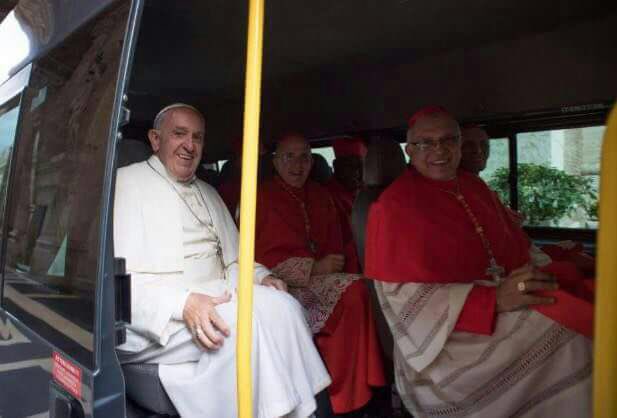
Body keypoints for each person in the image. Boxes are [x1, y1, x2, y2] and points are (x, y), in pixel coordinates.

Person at [365, 106, 593, 418]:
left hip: (499, 299)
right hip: (447, 339)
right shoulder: (391, 206)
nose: (439, 151)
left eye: (449, 140)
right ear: (410, 151)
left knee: (575, 298)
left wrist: (532, 275)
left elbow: (515, 247)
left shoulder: (474, 186)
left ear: (459, 145)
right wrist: (494, 299)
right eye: (426, 143)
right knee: (566, 337)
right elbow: (406, 301)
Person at [114, 104, 330, 418]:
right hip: (158, 316)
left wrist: (261, 277)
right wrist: (183, 303)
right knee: (241, 326)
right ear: (155, 139)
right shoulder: (125, 185)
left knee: (285, 306)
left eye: (197, 138)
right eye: (179, 134)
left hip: (218, 296)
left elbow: (234, 261)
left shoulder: (209, 192)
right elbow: (117, 280)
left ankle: (307, 411)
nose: (190, 145)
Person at [255, 133, 385, 415]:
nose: (298, 164)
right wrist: (313, 268)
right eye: (289, 157)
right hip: (281, 285)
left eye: (305, 157)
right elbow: (256, 258)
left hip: (326, 280)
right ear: (276, 162)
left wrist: (334, 265)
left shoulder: (321, 194)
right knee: (353, 292)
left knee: (361, 289)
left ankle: (355, 391)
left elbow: (340, 244)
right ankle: (342, 396)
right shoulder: (260, 198)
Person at [460, 125, 596, 278]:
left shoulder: (479, 186)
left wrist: (510, 220)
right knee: (572, 269)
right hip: (516, 263)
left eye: (484, 145)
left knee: (576, 251)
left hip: (526, 250)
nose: (478, 150)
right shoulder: (461, 189)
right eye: (468, 145)